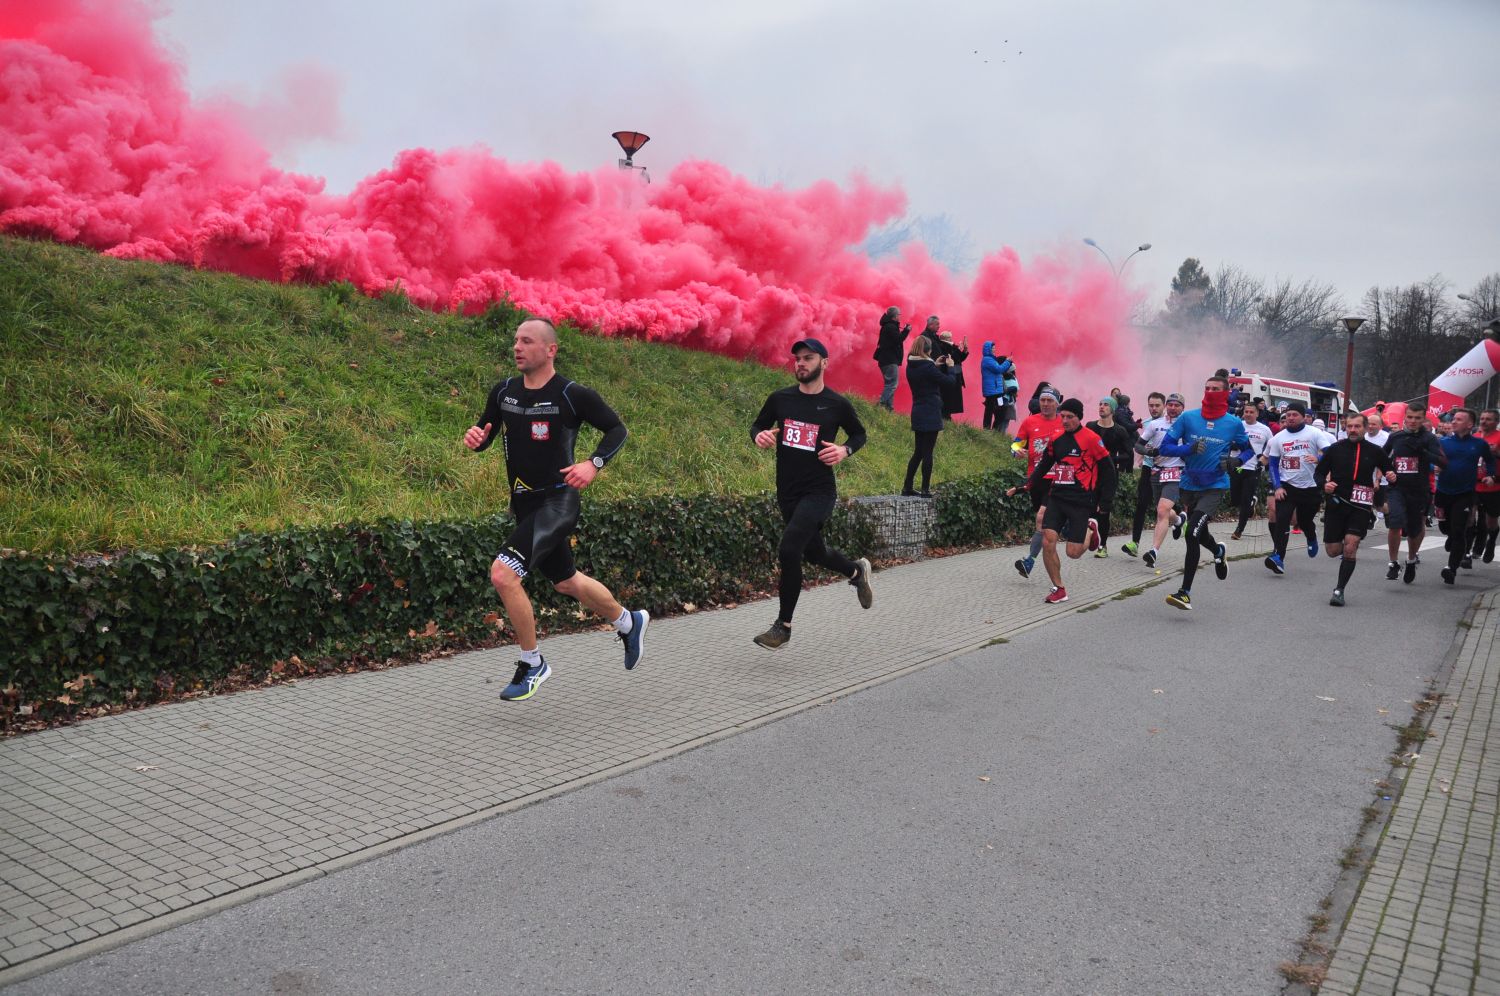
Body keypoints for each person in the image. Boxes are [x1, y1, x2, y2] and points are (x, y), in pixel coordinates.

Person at [465, 318, 647, 702]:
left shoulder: (571, 394)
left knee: (503, 575)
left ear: (550, 350)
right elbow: (485, 433)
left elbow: (617, 430)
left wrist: (593, 464)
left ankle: (533, 664)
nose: (517, 347)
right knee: (566, 581)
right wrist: (477, 438)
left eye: (527, 341)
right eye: (515, 340)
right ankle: (629, 622)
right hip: (524, 504)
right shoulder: (504, 392)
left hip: (558, 501)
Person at [749, 337, 874, 648]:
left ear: (824, 363)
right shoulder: (780, 399)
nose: (800, 363)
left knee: (790, 549)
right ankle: (855, 571)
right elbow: (757, 426)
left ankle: (783, 626)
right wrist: (759, 436)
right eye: (797, 359)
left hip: (819, 491)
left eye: (808, 358)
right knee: (814, 552)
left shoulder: (836, 404)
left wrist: (845, 450)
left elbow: (859, 434)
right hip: (787, 492)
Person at [1156, 374, 1252, 610]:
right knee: (1201, 533)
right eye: (1207, 388)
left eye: (1215, 389)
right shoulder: (1188, 418)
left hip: (1215, 486)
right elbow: (1165, 447)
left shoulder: (1233, 423)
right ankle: (1218, 550)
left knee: (1191, 534)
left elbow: (1248, 451)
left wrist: (1236, 461)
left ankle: (1184, 592)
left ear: (1226, 393)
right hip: (1189, 484)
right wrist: (1188, 448)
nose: (1210, 393)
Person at [1019, 398, 1112, 604]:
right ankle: (1059, 588)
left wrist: (1105, 502)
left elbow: (1108, 470)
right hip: (1057, 497)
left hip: (1080, 501)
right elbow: (1045, 463)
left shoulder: (1091, 439)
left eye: (1070, 417)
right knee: (1047, 539)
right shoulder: (1056, 437)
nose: (1065, 420)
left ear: (1079, 417)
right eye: (1063, 416)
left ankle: (1090, 529)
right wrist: (1028, 484)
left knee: (1073, 553)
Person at [1314, 414, 1397, 606]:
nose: (1352, 430)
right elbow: (1318, 473)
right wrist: (1324, 485)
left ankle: (1339, 590)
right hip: (1337, 503)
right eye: (1349, 426)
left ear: (1365, 428)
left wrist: (1392, 475)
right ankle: (1346, 546)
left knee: (1350, 547)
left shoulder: (1375, 450)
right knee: (1333, 551)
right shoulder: (1336, 448)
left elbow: (1389, 470)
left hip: (1360, 505)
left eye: (1357, 426)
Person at [1264, 400, 1329, 576]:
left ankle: (1311, 536)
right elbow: (1272, 464)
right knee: (1282, 519)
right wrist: (1277, 486)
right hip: (1287, 487)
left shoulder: (1314, 433)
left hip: (1311, 486)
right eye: (1288, 415)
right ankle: (1278, 557)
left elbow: (1330, 453)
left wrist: (1319, 459)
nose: (1291, 418)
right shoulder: (1278, 438)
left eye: (1295, 415)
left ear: (1303, 417)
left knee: (1305, 521)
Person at [1007, 386, 1067, 578]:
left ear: (1057, 403)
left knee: (1041, 517)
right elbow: (1016, 443)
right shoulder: (1029, 422)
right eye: (1043, 400)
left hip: (1058, 479)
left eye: (1050, 401)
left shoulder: (1064, 421)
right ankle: (1044, 553)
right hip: (1036, 479)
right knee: (1043, 526)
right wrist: (1016, 450)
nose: (1046, 404)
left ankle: (1029, 561)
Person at [1381, 406, 1446, 583]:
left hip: (1419, 489)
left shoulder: (1429, 438)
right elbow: (1383, 458)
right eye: (1410, 417)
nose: (1413, 421)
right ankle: (1393, 563)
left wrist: (1423, 452)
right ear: (1405, 417)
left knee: (1415, 528)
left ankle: (1410, 560)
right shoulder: (1396, 436)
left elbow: (1442, 461)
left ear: (1423, 419)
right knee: (1395, 522)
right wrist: (1388, 471)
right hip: (1397, 488)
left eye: (1417, 418)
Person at [1434, 408, 1498, 586]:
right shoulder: (1443, 442)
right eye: (1453, 419)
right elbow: (1433, 460)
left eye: (1459, 419)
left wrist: (1491, 476)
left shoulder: (1478, 444)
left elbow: (1490, 461)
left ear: (1469, 424)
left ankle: (1451, 569)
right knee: (1446, 528)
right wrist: (1435, 467)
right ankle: (1450, 536)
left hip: (1465, 493)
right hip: (1443, 492)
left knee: (1459, 530)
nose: (1453, 421)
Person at [1136, 392, 1189, 569]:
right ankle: (1179, 520)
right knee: (1164, 512)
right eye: (1171, 405)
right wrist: (1149, 452)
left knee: (1162, 510)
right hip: (1157, 471)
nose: (1173, 408)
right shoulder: (1155, 424)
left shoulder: (1187, 426)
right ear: (1167, 406)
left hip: (1177, 471)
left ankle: (1153, 552)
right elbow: (1138, 445)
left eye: (1177, 405)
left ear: (1183, 408)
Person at [902, 335, 957, 497]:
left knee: (918, 451)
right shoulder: (928, 367)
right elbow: (949, 382)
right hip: (931, 411)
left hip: (918, 410)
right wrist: (951, 367)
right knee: (928, 453)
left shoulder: (911, 365)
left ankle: (907, 487)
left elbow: (927, 376)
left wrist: (935, 365)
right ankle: (925, 489)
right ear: (926, 350)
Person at [1086, 397, 1135, 557]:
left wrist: (1111, 460)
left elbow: (1129, 454)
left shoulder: (1120, 431)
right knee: (1091, 509)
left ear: (1112, 410)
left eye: (1106, 405)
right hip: (1091, 473)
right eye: (1100, 404)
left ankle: (1103, 546)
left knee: (1104, 511)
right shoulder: (1090, 427)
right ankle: (1091, 539)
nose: (1102, 407)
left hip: (1109, 475)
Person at [1122, 391, 1165, 558]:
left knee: (1164, 506)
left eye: (1157, 405)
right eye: (1151, 405)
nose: (1153, 408)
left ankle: (1179, 520)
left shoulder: (1172, 424)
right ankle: (1135, 543)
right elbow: (1138, 445)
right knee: (1142, 504)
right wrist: (1141, 456)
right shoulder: (1145, 424)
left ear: (1164, 406)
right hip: (1148, 468)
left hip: (1167, 469)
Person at [1229, 400, 1274, 540]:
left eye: (1251, 412)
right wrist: (1234, 445)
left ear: (1257, 413)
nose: (1248, 414)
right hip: (1237, 467)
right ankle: (1251, 503)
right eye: (1246, 412)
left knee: (1245, 500)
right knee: (1235, 499)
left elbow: (1272, 446)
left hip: (1253, 468)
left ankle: (1239, 530)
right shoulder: (1237, 426)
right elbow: (1227, 442)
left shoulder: (1264, 429)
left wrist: (1264, 460)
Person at [1470, 408, 1500, 563]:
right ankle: (1466, 552)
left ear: (1496, 422)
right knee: (1469, 516)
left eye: (1488, 419)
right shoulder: (1474, 437)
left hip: (1493, 486)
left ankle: (1491, 541)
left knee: (1491, 521)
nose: (1484, 421)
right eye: (1482, 418)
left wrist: (1494, 476)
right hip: (1473, 484)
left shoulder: (1499, 437)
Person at [872, 306, 910, 412]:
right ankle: (881, 404)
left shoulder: (888, 326)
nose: (900, 317)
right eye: (899, 315)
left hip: (886, 360)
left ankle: (889, 408)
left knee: (890, 384)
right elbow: (899, 339)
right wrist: (906, 330)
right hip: (889, 360)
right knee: (892, 384)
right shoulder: (890, 327)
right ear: (894, 316)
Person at [935, 330, 969, 419]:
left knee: (953, 398)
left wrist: (965, 351)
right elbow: (950, 358)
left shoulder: (952, 346)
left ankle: (947, 415)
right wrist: (958, 350)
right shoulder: (942, 346)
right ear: (944, 338)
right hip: (948, 373)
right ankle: (945, 416)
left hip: (956, 374)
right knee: (948, 397)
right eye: (949, 337)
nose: (951, 338)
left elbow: (959, 359)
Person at [980, 342, 1011, 431]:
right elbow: (999, 369)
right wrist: (1007, 361)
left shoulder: (991, 360)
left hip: (997, 391)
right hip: (992, 391)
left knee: (1000, 410)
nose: (994, 349)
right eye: (993, 348)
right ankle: (988, 429)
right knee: (990, 410)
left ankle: (994, 429)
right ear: (988, 349)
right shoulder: (988, 360)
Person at [1000, 356, 1021, 435]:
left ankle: (1000, 435)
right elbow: (1016, 389)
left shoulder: (1004, 377)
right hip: (1008, 401)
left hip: (1008, 401)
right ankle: (1001, 435)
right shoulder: (1012, 378)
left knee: (1003, 420)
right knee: (1005, 420)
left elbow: (1015, 389)